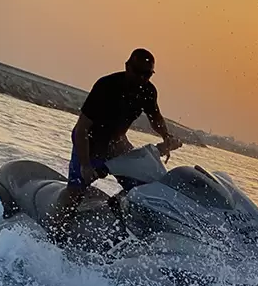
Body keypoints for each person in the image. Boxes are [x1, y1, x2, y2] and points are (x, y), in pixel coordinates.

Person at [49, 48, 182, 241]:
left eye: (147, 74)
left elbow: (155, 118)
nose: (142, 78)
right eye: (138, 72)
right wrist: (86, 165)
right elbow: (81, 129)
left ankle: (122, 218)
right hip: (89, 143)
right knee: (76, 190)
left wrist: (166, 136)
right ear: (128, 67)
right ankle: (55, 234)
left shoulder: (148, 91)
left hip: (117, 145)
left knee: (141, 186)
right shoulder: (106, 86)